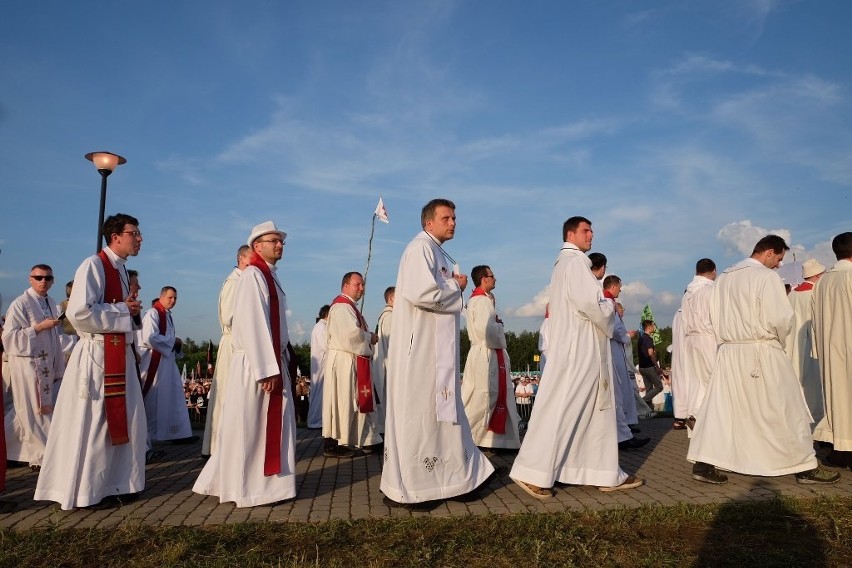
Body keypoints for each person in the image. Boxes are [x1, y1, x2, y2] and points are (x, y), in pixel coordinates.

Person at [687, 235, 839, 485]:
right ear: (769, 252)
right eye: (778, 259)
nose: (779, 265)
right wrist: (775, 342)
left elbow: (713, 315)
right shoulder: (766, 278)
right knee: (787, 406)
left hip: (729, 351)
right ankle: (804, 467)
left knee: (723, 409)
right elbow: (780, 318)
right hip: (761, 349)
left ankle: (704, 464)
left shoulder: (724, 278)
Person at [510, 216, 643, 499]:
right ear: (570, 234)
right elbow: (589, 305)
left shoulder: (565, 264)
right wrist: (609, 308)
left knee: (594, 411)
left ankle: (600, 470)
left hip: (579, 344)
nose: (591, 235)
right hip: (579, 347)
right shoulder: (576, 263)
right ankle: (531, 470)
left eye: (592, 230)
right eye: (586, 230)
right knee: (562, 408)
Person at [380, 198, 494, 505]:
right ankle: (418, 485)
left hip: (436, 351)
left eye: (455, 217)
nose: (453, 222)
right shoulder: (420, 249)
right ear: (428, 222)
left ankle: (453, 480)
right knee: (422, 415)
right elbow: (422, 293)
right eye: (446, 218)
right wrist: (456, 287)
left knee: (442, 415)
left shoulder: (435, 250)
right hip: (421, 354)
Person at [34, 214, 147, 509]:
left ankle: (117, 481)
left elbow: (117, 311)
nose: (139, 238)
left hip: (118, 352)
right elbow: (79, 313)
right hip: (97, 356)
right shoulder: (93, 265)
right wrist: (124, 309)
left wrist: (130, 310)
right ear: (115, 237)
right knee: (96, 421)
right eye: (134, 233)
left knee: (126, 419)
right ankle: (87, 489)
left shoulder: (120, 270)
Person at [193, 221, 297, 507]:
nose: (280, 245)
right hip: (256, 363)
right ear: (256, 246)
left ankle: (260, 485)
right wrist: (267, 369)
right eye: (273, 241)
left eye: (281, 241)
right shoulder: (253, 275)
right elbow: (253, 323)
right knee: (251, 426)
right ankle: (254, 488)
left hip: (269, 358)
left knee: (255, 425)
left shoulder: (269, 276)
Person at [2, 264, 65, 470]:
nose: (43, 281)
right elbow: (9, 338)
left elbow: (55, 337)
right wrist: (38, 328)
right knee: (31, 410)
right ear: (30, 279)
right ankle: (42, 455)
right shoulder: (20, 304)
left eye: (47, 278)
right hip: (28, 367)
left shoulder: (51, 303)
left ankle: (11, 451)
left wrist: (57, 365)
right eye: (38, 278)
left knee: (31, 412)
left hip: (46, 366)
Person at [462, 265, 521, 451]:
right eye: (492, 276)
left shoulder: (481, 300)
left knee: (492, 395)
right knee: (484, 395)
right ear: (484, 279)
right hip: (487, 352)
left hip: (486, 351)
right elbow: (487, 331)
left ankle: (492, 439)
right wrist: (500, 329)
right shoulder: (481, 301)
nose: (495, 279)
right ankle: (466, 437)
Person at [323, 271, 383, 456]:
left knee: (358, 401)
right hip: (344, 361)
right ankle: (335, 443)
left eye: (363, 285)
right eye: (358, 284)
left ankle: (368, 440)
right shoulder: (342, 307)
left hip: (354, 360)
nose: (362, 288)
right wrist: (369, 337)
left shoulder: (351, 307)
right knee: (344, 401)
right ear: (346, 286)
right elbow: (351, 336)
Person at [202, 245, 252, 457]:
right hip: (234, 344)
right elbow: (228, 316)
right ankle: (217, 447)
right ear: (242, 258)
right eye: (252, 258)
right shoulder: (234, 282)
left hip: (243, 342)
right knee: (226, 396)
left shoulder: (245, 281)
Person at [812, 232, 852, 468]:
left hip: (831, 349)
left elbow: (815, 320)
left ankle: (841, 449)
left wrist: (820, 351)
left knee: (838, 398)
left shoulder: (822, 282)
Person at [139, 286, 195, 444]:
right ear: (161, 297)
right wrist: (172, 342)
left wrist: (175, 345)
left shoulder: (167, 315)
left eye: (175, 298)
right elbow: (149, 337)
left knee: (172, 397)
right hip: (155, 364)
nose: (173, 301)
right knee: (155, 399)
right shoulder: (153, 313)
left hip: (166, 362)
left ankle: (175, 433)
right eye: (170, 297)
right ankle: (152, 436)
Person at [602, 275, 648, 450]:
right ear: (613, 286)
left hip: (616, 349)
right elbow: (615, 329)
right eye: (619, 287)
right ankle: (623, 435)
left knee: (621, 393)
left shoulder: (609, 302)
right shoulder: (608, 302)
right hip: (613, 350)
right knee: (618, 393)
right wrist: (627, 336)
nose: (620, 290)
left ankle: (624, 431)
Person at [785, 258, 826, 427]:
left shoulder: (792, 294)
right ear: (817, 275)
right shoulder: (816, 293)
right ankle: (816, 419)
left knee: (797, 380)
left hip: (793, 343)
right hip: (812, 341)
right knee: (814, 383)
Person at [680, 259, 717, 434]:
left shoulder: (687, 293)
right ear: (713, 271)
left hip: (690, 339)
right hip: (708, 338)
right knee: (712, 380)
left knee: (695, 381)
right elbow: (717, 317)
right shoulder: (711, 290)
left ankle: (695, 414)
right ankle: (710, 424)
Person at [372, 287, 394, 434]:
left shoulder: (384, 316)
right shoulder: (391, 317)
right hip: (389, 364)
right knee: (388, 399)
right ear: (391, 299)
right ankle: (385, 431)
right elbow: (395, 343)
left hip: (383, 363)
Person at [307, 305, 330, 430]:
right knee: (318, 393)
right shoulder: (321, 327)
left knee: (321, 393)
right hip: (321, 364)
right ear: (327, 314)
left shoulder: (321, 326)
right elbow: (326, 345)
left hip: (322, 364)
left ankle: (319, 419)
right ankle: (315, 421)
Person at [637, 320, 664, 406]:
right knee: (659, 386)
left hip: (642, 367)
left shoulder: (640, 338)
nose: (654, 327)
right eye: (653, 325)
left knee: (649, 389)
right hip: (649, 366)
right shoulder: (648, 338)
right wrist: (657, 367)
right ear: (649, 327)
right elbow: (650, 353)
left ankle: (648, 409)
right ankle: (642, 401)